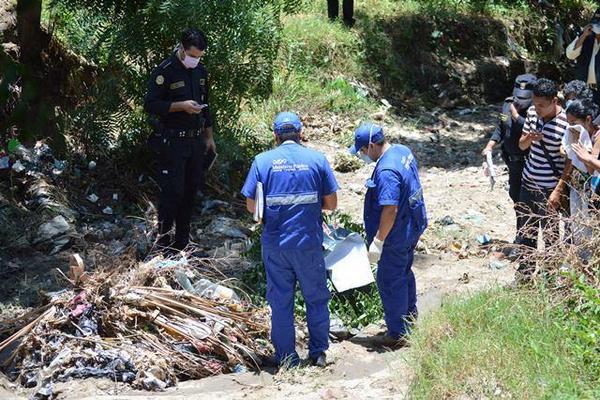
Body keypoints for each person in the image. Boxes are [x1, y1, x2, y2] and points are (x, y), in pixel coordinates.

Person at [241, 112, 339, 368]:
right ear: (301, 133)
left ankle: (287, 357)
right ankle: (317, 353)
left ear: (275, 135)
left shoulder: (262, 161)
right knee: (316, 297)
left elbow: (252, 205)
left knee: (281, 301)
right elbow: (332, 203)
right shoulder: (317, 160)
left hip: (276, 244)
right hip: (308, 243)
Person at [350, 122, 427, 344]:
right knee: (403, 271)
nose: (363, 155)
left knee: (389, 279)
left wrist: (378, 241)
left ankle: (398, 333)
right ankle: (409, 318)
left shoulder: (386, 171)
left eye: (363, 151)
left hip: (397, 232)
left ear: (373, 145)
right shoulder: (402, 151)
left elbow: (390, 209)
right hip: (413, 223)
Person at [144, 28, 216, 252]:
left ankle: (182, 243)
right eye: (193, 55)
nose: (195, 60)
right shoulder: (165, 72)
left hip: (195, 142)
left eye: (199, 57)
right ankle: (164, 242)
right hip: (174, 142)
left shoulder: (201, 72)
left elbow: (207, 107)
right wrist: (180, 107)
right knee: (172, 192)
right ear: (182, 49)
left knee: (190, 191)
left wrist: (209, 138)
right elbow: (150, 105)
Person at [516, 78, 570, 273]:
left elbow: (569, 162)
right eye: (534, 103)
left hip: (549, 189)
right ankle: (525, 276)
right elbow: (521, 145)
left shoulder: (565, 123)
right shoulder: (531, 114)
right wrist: (530, 137)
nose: (536, 108)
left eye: (541, 105)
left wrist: (558, 190)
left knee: (550, 236)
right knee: (525, 233)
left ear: (554, 101)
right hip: (527, 184)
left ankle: (550, 277)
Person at [481, 74, 536, 242]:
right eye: (518, 97)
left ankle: (525, 240)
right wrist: (490, 144)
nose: (520, 101)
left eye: (525, 98)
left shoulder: (536, 110)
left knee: (527, 203)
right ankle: (521, 236)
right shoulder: (507, 104)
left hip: (530, 163)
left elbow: (533, 131)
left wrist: (517, 116)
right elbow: (501, 127)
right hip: (512, 161)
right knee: (515, 197)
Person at [562, 99, 599, 246]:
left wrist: (586, 157)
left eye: (573, 123)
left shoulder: (597, 136)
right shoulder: (585, 134)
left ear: (588, 119)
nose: (570, 127)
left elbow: (591, 168)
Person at [565, 8, 600, 105]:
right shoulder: (585, 36)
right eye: (596, 20)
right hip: (584, 89)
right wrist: (584, 36)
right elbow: (570, 55)